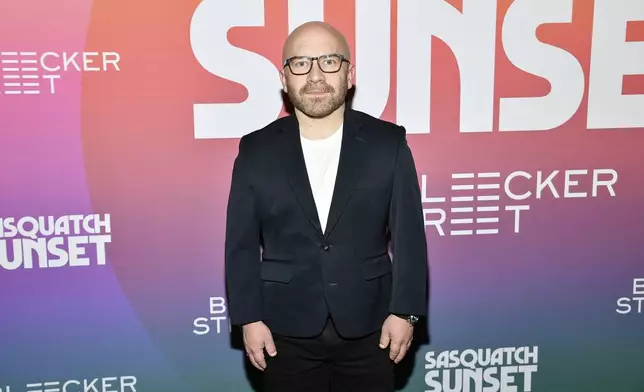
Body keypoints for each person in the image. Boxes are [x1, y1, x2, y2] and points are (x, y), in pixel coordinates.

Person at [224, 21, 429, 392]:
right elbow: (239, 245)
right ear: (285, 79)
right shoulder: (255, 150)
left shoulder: (389, 143)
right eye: (301, 63)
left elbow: (410, 238)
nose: (315, 75)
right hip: (283, 330)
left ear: (350, 75)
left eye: (329, 61)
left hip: (373, 327)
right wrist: (248, 319)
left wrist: (406, 312)